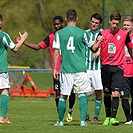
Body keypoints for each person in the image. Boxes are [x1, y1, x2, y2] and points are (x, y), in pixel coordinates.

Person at [14, 16, 75, 123]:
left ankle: (70, 110)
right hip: (57, 71)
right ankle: (60, 116)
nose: (56, 26)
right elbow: (38, 46)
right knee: (58, 93)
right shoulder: (51, 37)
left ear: (62, 23)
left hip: (69, 69)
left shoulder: (69, 35)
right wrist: (23, 42)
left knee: (72, 93)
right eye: (54, 24)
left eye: (58, 24)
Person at [91, 12, 133, 126]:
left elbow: (129, 48)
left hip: (118, 68)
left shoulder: (124, 35)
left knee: (115, 93)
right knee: (107, 93)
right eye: (112, 23)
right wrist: (99, 40)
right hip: (105, 68)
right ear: (109, 21)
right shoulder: (102, 33)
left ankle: (113, 118)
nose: (114, 26)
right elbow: (94, 49)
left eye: (116, 23)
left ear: (119, 23)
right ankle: (108, 117)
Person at [53, 9, 92, 126]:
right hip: (80, 69)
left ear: (65, 19)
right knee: (81, 94)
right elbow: (92, 47)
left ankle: (60, 122)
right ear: (77, 19)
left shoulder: (59, 34)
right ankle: (83, 121)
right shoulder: (83, 33)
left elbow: (56, 53)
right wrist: (99, 41)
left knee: (63, 95)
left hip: (66, 69)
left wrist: (55, 68)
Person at [0, 14, 28, 124]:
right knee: (4, 91)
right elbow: (15, 48)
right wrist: (23, 39)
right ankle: (3, 117)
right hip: (1, 69)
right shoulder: (3, 35)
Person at [85, 13, 103, 122]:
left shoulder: (103, 34)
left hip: (98, 68)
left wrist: (99, 51)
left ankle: (96, 116)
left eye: (96, 23)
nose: (94, 24)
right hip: (86, 67)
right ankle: (85, 114)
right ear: (90, 21)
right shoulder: (85, 33)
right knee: (84, 91)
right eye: (93, 22)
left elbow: (108, 45)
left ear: (100, 24)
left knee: (98, 91)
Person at [120, 16, 133, 125]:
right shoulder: (120, 37)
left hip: (132, 71)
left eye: (128, 25)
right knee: (124, 96)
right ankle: (128, 118)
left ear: (132, 26)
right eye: (124, 25)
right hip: (123, 72)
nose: (126, 27)